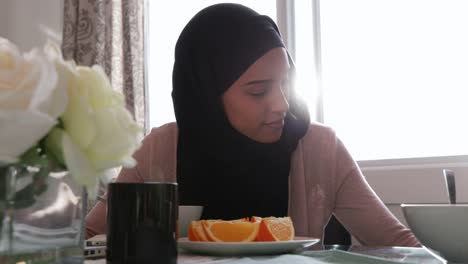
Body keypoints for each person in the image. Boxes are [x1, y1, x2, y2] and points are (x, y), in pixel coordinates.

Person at [86, 3, 420, 247]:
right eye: (259, 91)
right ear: (207, 96)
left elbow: (403, 247)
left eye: (285, 84)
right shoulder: (159, 150)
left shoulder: (320, 147)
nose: (282, 106)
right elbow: (86, 239)